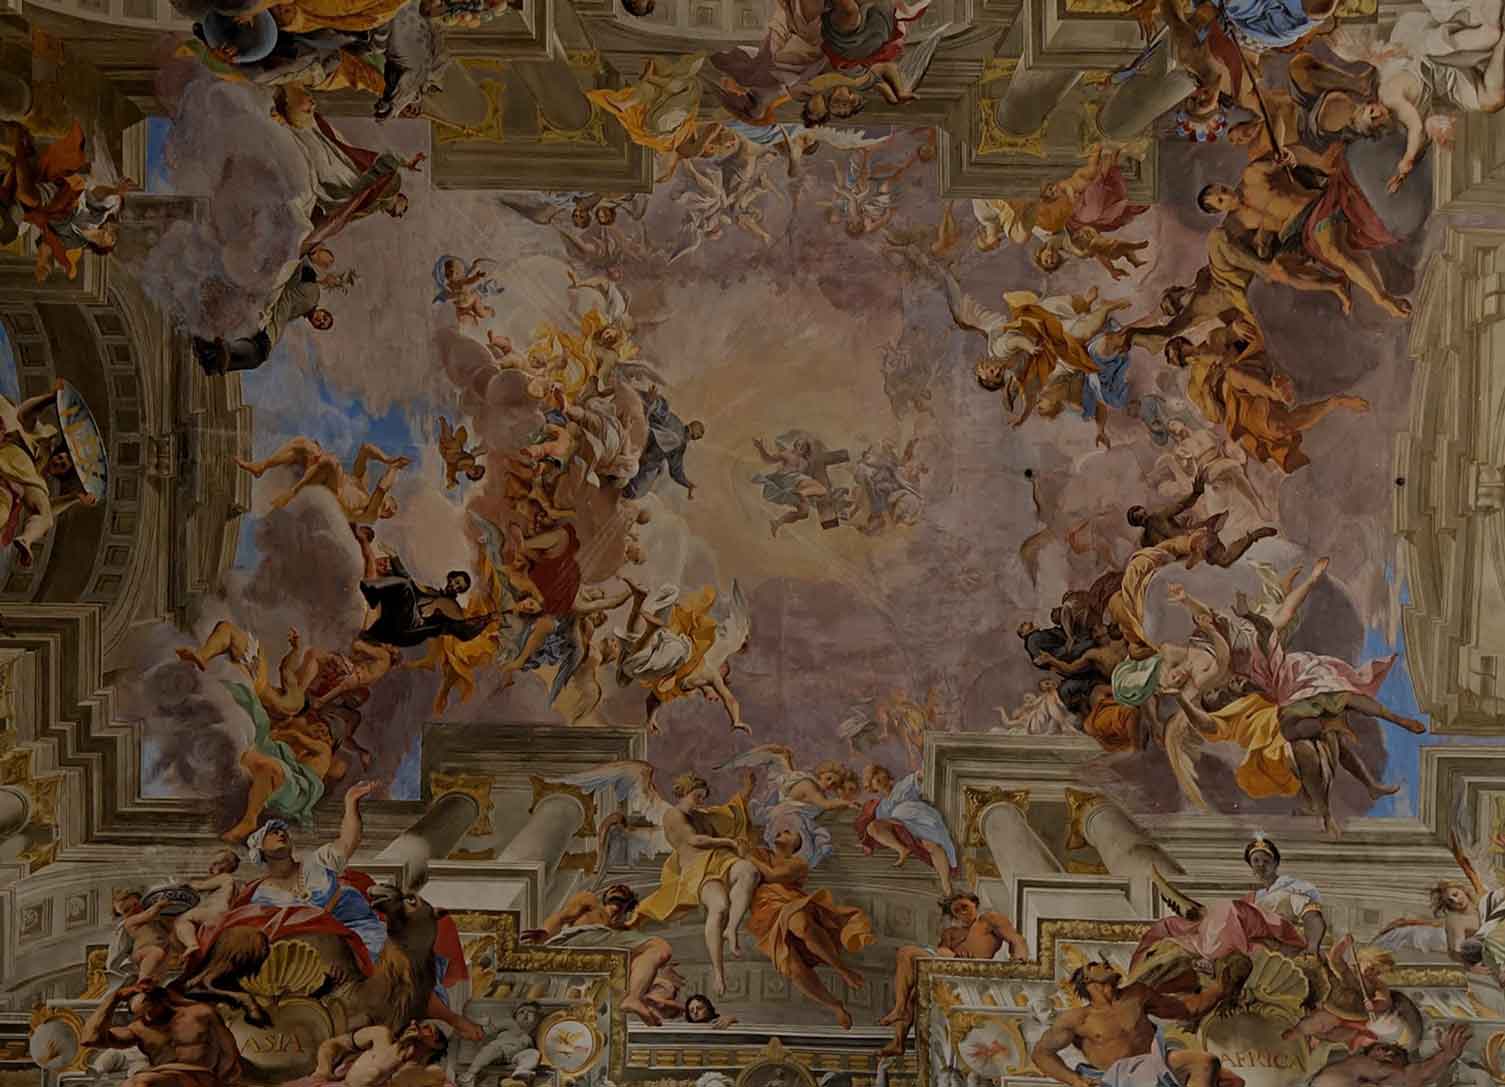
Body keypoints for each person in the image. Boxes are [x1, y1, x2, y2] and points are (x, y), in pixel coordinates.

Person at [1196, 154, 1408, 318]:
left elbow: (1279, 162)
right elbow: (1257, 251)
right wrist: (1262, 241)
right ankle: (1334, 285)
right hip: (1295, 234)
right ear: (1219, 211)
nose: (1226, 195)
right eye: (1221, 200)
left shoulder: (1251, 176)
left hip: (1314, 208)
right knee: (1280, 269)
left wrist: (1284, 159)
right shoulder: (1238, 223)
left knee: (1333, 251)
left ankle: (1381, 298)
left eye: (1222, 189)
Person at [630, 771, 761, 997]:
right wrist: (729, 842)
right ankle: (718, 972)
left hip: (720, 860)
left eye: (703, 797)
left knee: (749, 871)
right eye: (697, 796)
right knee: (719, 907)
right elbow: (694, 840)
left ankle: (731, 929)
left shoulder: (702, 815)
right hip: (697, 870)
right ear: (684, 792)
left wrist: (747, 789)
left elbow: (732, 812)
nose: (701, 801)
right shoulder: (673, 815)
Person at [738, 815, 874, 1028]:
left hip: (789, 901)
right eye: (779, 831)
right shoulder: (761, 853)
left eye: (788, 832)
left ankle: (841, 969)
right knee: (792, 967)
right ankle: (834, 1005)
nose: (781, 833)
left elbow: (773, 876)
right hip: (765, 914)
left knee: (801, 924)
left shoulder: (799, 863)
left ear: (799, 843)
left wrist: (749, 856)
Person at [1032, 960, 1242, 1087]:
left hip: (1155, 1065)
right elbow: (1041, 1053)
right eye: (1094, 965)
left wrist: (1220, 989)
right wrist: (1075, 1080)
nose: (1105, 963)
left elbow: (1186, 1009)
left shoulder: (1137, 994)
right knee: (1204, 1063)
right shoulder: (1078, 1018)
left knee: (1219, 1073)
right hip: (1118, 1078)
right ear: (1086, 980)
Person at [1132, 834, 1322, 973]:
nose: (1260, 865)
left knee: (1227, 909)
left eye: (1266, 860)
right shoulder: (1252, 898)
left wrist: (1312, 947)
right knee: (1177, 924)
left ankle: (1211, 957)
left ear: (1276, 863)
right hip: (1249, 935)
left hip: (1278, 935)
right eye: (1255, 861)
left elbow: (1313, 917)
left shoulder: (1290, 890)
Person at [241, 782, 386, 961]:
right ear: (259, 850)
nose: (281, 834)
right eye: (272, 832)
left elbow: (348, 841)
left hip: (363, 932)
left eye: (282, 831)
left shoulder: (318, 861)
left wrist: (350, 802)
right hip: (316, 950)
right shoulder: (262, 895)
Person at [880, 891, 1028, 1057]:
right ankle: (898, 1041)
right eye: (956, 911)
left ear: (974, 903)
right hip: (947, 965)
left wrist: (1020, 959)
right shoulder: (951, 932)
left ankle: (899, 1009)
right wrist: (951, 954)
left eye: (964, 907)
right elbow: (942, 950)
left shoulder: (988, 920)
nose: (962, 913)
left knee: (906, 952)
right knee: (912, 991)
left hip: (969, 970)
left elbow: (1016, 939)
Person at [518, 884, 687, 1026]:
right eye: (614, 889)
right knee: (657, 945)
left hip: (603, 952)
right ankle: (637, 997)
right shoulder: (591, 902)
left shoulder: (623, 931)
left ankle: (634, 998)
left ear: (629, 904)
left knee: (660, 950)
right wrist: (545, 932)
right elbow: (562, 916)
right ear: (605, 896)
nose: (618, 888)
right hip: (580, 939)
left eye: (623, 891)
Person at [193, 248, 341, 375]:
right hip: (269, 324)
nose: (320, 321)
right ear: (322, 310)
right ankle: (219, 355)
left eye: (321, 325)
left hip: (267, 318)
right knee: (259, 354)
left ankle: (211, 353)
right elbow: (303, 267)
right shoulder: (313, 295)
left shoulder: (304, 307)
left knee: (255, 353)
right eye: (324, 318)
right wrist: (321, 277)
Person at [0, 380, 97, 567]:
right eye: (60, 457)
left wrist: (75, 498)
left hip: (10, 484)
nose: (58, 461)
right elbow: (26, 413)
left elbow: (47, 511)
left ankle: (26, 540)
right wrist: (50, 398)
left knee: (10, 515)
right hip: (9, 452)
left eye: (62, 465)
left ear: (61, 474)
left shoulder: (38, 481)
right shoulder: (43, 441)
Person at [81, 982, 242, 1087]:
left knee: (141, 1083)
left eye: (149, 1010)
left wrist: (225, 1082)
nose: (147, 1017)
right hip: (163, 1077)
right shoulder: (139, 1029)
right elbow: (89, 1039)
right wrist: (114, 998)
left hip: (201, 1077)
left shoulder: (200, 1014)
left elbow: (229, 1052)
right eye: (140, 1014)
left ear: (162, 1001)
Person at [236, 437, 408, 524]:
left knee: (331, 463)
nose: (388, 508)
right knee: (306, 445)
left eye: (389, 512)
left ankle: (291, 496)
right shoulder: (361, 485)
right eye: (390, 505)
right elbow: (365, 449)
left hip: (330, 501)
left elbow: (381, 488)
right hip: (323, 479)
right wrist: (387, 459)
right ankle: (261, 466)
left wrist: (394, 469)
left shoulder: (370, 515)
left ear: (384, 516)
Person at [1126, 472, 1276, 567]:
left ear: (1145, 511)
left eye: (1143, 514)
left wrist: (1196, 493)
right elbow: (1156, 557)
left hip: (1195, 539)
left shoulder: (1159, 516)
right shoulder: (1145, 541)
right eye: (1140, 518)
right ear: (1137, 523)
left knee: (1223, 560)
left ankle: (1253, 536)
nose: (1144, 518)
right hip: (1182, 558)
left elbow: (1181, 505)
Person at [856, 764, 958, 894]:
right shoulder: (881, 807)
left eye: (877, 773)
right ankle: (902, 849)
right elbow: (877, 830)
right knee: (872, 827)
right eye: (872, 780)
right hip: (902, 827)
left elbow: (923, 774)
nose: (876, 779)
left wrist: (926, 770)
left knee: (933, 846)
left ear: (885, 773)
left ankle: (946, 885)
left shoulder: (904, 784)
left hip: (921, 819)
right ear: (872, 788)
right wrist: (866, 843)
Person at [1309, 1027, 1472, 1087]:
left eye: (1398, 1054)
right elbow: (1412, 1077)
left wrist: (1446, 1056)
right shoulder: (1358, 1065)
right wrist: (1446, 1056)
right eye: (1383, 1048)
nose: (1390, 1053)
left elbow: (1416, 1077)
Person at [307, 1021, 448, 1087]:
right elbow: (332, 1044)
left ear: (436, 1044)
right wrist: (323, 1071)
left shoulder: (423, 1074)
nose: (414, 1024)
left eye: (427, 1029)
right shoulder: (380, 1036)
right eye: (419, 1024)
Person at [624, 389, 704, 499]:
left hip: (642, 432)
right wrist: (688, 484)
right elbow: (676, 471)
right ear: (693, 437)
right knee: (638, 490)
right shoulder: (681, 445)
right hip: (647, 458)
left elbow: (660, 412)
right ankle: (625, 490)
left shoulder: (675, 420)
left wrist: (652, 401)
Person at [171, 851, 243, 953]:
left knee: (181, 920)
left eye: (216, 863)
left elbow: (200, 886)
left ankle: (192, 945)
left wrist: (184, 884)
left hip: (216, 913)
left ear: (226, 865)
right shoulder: (233, 883)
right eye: (212, 863)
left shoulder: (224, 877)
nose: (211, 866)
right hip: (224, 915)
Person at [457, 1004, 541, 1087]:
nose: (525, 1014)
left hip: (515, 1057)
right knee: (490, 1050)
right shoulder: (510, 1023)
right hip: (500, 1049)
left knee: (534, 1053)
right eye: (522, 1012)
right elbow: (489, 1030)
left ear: (536, 1018)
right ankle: (470, 1073)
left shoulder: (532, 1035)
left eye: (530, 1012)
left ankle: (521, 1071)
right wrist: (484, 1025)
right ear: (515, 1016)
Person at [111, 890, 176, 983]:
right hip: (142, 953)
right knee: (155, 952)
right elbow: (148, 915)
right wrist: (158, 905)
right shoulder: (130, 921)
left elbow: (168, 928)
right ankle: (142, 978)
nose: (133, 909)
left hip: (160, 952)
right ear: (122, 915)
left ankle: (151, 983)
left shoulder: (154, 919)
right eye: (126, 910)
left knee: (159, 974)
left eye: (135, 904)